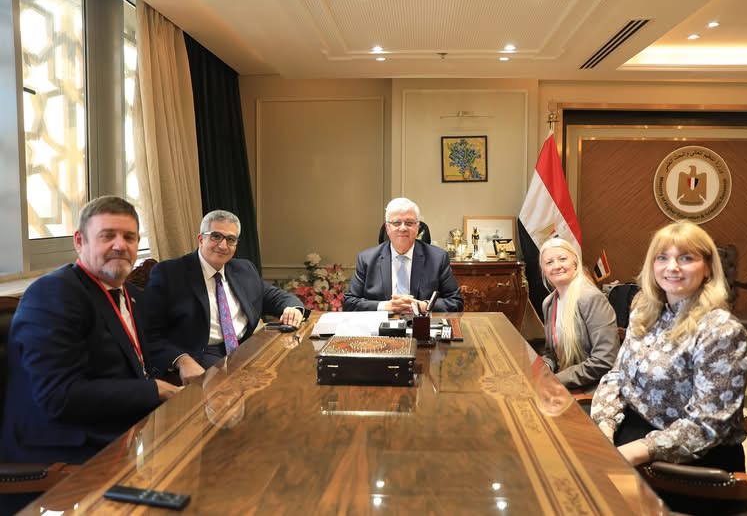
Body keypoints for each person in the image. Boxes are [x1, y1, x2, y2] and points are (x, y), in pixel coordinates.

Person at [1, 196, 202, 467]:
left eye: (129, 237)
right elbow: (60, 396)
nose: (120, 245)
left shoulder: (131, 294)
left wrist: (182, 360)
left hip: (125, 431)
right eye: (107, 236)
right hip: (65, 453)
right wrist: (155, 390)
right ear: (79, 241)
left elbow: (141, 351)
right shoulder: (53, 294)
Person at [591, 221, 747, 477]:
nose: (672, 267)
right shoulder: (643, 313)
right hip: (631, 433)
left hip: (692, 461)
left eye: (686, 258)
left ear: (708, 268)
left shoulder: (721, 330)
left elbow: (707, 425)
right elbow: (617, 377)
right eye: (662, 257)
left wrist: (627, 454)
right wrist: (605, 429)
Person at [144, 210, 306, 369]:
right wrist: (181, 360)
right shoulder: (169, 273)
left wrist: (293, 309)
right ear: (201, 239)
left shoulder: (244, 269)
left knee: (293, 368)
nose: (223, 246)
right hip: (200, 354)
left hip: (246, 346)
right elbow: (151, 333)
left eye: (230, 239)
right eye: (216, 236)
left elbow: (275, 296)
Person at [344, 198, 463, 313]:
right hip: (382, 324)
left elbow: (455, 302)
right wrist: (385, 306)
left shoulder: (437, 258)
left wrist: (424, 306)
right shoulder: (367, 259)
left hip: (421, 323)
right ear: (387, 228)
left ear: (417, 227)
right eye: (396, 223)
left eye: (409, 223)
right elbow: (349, 302)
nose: (403, 228)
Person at [539, 237, 619, 392]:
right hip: (563, 384)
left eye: (562, 259)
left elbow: (604, 360)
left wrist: (556, 380)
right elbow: (551, 353)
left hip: (593, 390)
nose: (557, 266)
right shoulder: (548, 303)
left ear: (575, 263)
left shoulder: (591, 298)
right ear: (544, 270)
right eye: (549, 262)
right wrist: (544, 369)